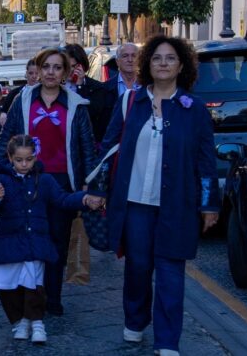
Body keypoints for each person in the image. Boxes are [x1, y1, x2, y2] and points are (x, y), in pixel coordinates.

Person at [87, 35, 219, 355]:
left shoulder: (194, 109)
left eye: (170, 58)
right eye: (157, 58)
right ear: (148, 64)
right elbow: (108, 149)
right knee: (137, 268)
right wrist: (97, 189)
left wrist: (209, 203)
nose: (163, 63)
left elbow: (206, 161)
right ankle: (135, 319)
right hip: (135, 204)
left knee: (172, 273)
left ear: (181, 65)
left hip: (177, 206)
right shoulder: (131, 102)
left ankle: (167, 339)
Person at [0, 47, 95, 316]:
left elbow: (86, 147)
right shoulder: (23, 100)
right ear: (38, 70)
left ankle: (53, 296)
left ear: (65, 72)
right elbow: (4, 144)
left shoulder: (75, 104)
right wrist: (8, 178)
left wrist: (87, 184)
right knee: (31, 241)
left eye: (57, 67)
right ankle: (31, 298)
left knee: (58, 242)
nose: (51, 72)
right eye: (46, 66)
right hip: (29, 181)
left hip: (62, 183)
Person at [0, 135, 100, 344]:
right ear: (10, 157)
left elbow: (62, 199)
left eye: (29, 159)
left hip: (35, 238)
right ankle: (19, 321)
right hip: (9, 240)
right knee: (6, 284)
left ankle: (37, 321)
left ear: (35, 157)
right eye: (19, 159)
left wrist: (83, 199)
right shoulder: (2, 180)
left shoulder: (45, 180)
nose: (24, 164)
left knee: (34, 283)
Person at [62, 44, 117, 144]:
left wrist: (80, 87)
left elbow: (90, 115)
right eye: (66, 66)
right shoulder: (58, 87)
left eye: (74, 66)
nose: (70, 71)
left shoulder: (98, 88)